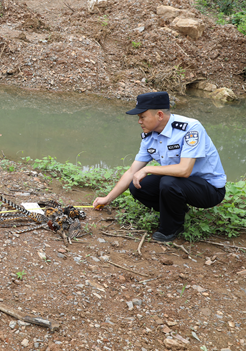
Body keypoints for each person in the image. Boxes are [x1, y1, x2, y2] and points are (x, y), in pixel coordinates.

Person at [93, 91, 226, 242]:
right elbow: (132, 171)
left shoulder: (190, 128)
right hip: (179, 184)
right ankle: (178, 210)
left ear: (160, 115)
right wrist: (107, 198)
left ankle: (171, 228)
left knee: (168, 183)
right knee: (138, 185)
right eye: (138, 118)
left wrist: (148, 169)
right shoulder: (150, 135)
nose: (139, 121)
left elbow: (184, 170)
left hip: (208, 189)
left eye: (142, 117)